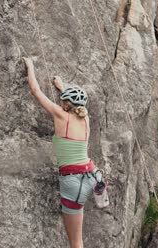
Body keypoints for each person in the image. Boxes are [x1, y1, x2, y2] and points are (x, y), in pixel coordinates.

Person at [23, 57, 103, 248]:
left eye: (62, 100)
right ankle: (99, 194)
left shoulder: (60, 115)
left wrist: (31, 66)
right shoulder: (86, 120)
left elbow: (36, 91)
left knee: (75, 243)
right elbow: (76, 105)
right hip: (92, 174)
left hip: (73, 182)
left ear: (66, 105)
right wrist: (62, 86)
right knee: (78, 240)